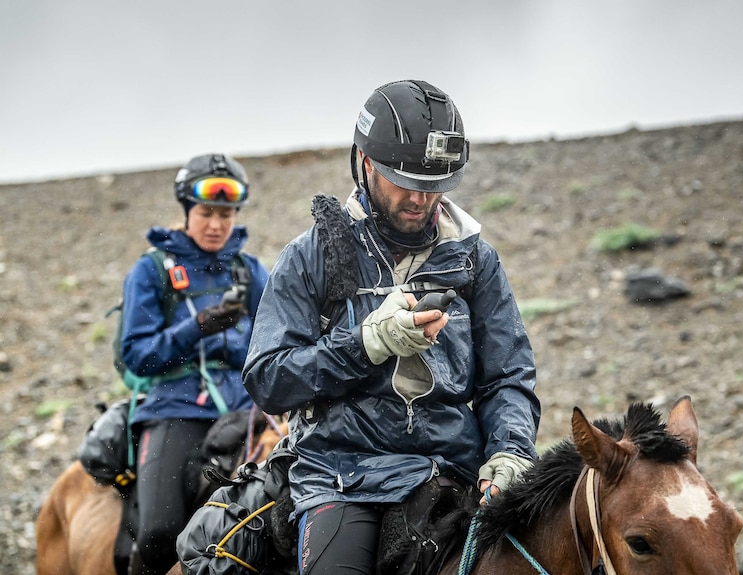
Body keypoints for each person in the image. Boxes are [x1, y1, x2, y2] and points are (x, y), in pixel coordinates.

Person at [243, 80, 541, 574]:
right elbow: (269, 380)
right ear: (363, 162)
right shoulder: (308, 257)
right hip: (341, 475)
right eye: (404, 180)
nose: (420, 198)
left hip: (452, 475)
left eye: (434, 184)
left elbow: (507, 377)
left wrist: (510, 453)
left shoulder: (476, 261)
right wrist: (366, 344)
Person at [120, 153, 269, 575]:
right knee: (159, 533)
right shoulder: (151, 271)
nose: (217, 224)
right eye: (206, 213)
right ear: (187, 210)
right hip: (175, 409)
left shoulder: (250, 271)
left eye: (226, 214)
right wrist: (196, 328)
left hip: (246, 411)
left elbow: (276, 347)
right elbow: (136, 354)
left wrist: (232, 348)